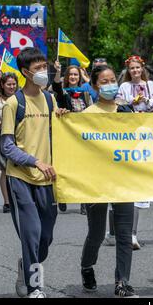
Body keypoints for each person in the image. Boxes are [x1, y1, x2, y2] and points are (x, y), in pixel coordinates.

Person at [0, 47, 68, 298]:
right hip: (20, 178)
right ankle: (34, 287)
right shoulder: (13, 103)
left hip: (47, 180)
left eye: (44, 67)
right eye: (38, 68)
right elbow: (6, 146)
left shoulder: (50, 99)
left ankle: (25, 266)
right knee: (31, 235)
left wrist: (62, 116)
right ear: (25, 72)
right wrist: (35, 161)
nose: (43, 72)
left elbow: (57, 133)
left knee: (45, 238)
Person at [80, 64, 137, 298]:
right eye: (104, 81)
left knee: (124, 234)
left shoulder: (126, 112)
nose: (110, 85)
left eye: (113, 80)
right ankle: (87, 266)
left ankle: (122, 281)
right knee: (96, 233)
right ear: (94, 85)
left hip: (123, 180)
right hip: (97, 182)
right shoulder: (85, 117)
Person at [114, 55, 153, 250]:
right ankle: (121, 230)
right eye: (131, 69)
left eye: (137, 68)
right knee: (127, 179)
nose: (135, 71)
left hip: (147, 133)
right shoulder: (124, 88)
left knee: (141, 183)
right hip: (130, 134)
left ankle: (132, 232)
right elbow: (119, 106)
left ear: (142, 68)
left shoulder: (152, 85)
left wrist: (146, 101)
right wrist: (133, 103)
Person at [52, 60, 93, 214]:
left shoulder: (86, 93)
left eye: (76, 74)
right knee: (65, 169)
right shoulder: (62, 92)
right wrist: (57, 72)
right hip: (66, 136)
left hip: (83, 137)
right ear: (67, 77)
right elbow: (56, 86)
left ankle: (83, 202)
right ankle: (62, 197)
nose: (74, 77)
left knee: (83, 169)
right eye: (71, 74)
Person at [0, 72, 19, 214]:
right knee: (5, 170)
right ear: (2, 85)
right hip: (2, 138)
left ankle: (20, 200)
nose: (12, 87)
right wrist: (5, 122)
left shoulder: (22, 99)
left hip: (21, 138)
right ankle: (7, 202)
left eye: (14, 84)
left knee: (20, 170)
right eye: (9, 84)